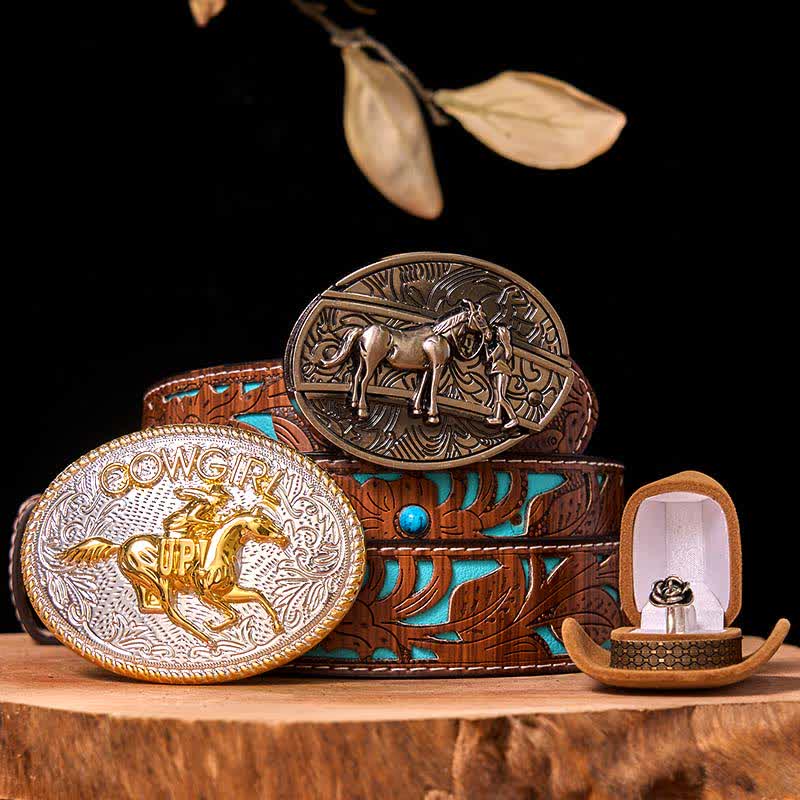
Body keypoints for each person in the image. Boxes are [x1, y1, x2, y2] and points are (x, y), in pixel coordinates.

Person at [162, 484, 231, 539]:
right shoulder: (205, 503)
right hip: (178, 527)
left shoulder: (208, 505)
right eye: (222, 499)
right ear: (215, 496)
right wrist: (212, 523)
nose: (222, 502)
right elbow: (190, 518)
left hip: (184, 528)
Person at [484, 324, 519, 429]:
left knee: (501, 397)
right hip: (496, 371)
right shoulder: (501, 346)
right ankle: (497, 417)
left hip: (502, 371)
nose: (496, 335)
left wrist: (485, 346)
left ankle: (513, 418)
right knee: (497, 396)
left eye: (497, 333)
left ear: (501, 335)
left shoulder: (501, 347)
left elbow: (490, 358)